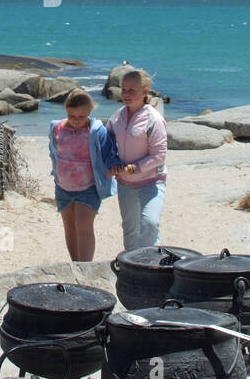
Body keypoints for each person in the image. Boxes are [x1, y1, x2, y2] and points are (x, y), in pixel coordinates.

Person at [48, 89, 118, 263]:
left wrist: (113, 167)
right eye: (71, 115)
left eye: (81, 116)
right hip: (63, 186)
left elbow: (109, 151)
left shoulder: (95, 131)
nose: (76, 120)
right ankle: (75, 264)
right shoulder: (57, 128)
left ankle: (85, 266)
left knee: (83, 225)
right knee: (70, 227)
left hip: (88, 187)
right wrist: (55, 172)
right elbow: (53, 151)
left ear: (89, 112)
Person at [109, 69, 167, 251]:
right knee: (130, 231)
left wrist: (132, 169)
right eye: (124, 89)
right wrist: (110, 163)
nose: (126, 94)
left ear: (145, 91)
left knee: (150, 224)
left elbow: (159, 156)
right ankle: (131, 269)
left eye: (131, 90)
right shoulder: (118, 116)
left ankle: (149, 261)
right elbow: (107, 141)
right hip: (125, 184)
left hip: (151, 182)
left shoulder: (153, 119)